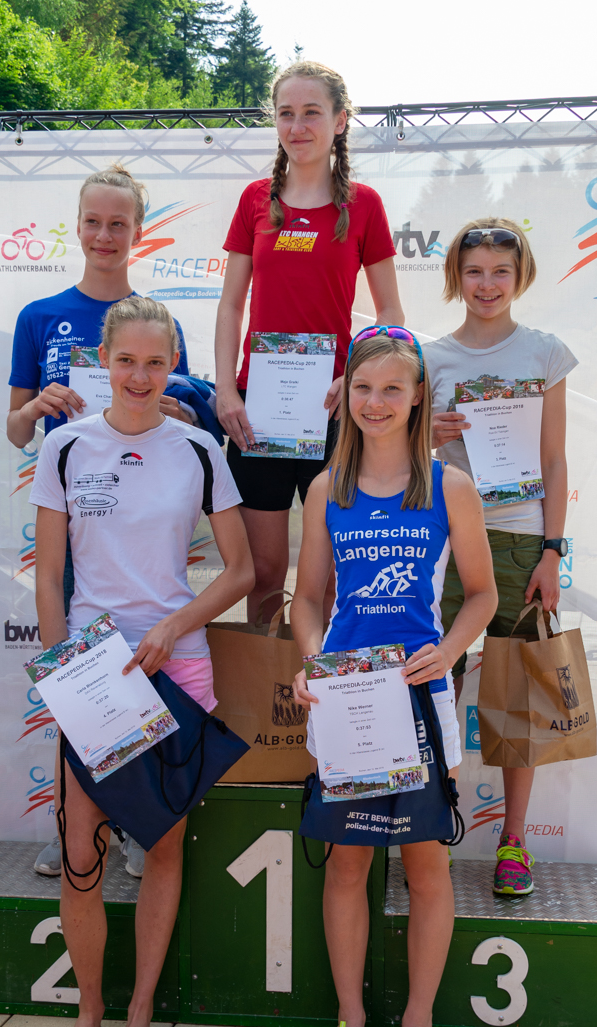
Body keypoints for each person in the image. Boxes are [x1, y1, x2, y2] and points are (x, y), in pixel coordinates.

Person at [30, 296, 253, 1027]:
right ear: (103, 360)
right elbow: (49, 579)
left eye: (155, 362)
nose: (139, 376)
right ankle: (89, 1012)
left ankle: (138, 1016)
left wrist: (171, 627)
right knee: (80, 857)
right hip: (95, 679)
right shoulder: (64, 447)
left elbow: (242, 571)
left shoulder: (199, 448)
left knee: (160, 851)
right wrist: (63, 673)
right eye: (125, 360)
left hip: (177, 669)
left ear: (174, 367)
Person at [291, 328, 496, 1027]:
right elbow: (307, 601)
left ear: (417, 399)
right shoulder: (327, 489)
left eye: (391, 389)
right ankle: (350, 1023)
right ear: (344, 393)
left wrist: (448, 651)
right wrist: (312, 660)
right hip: (348, 700)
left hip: (419, 702)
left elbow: (483, 595)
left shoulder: (449, 487)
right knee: (347, 864)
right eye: (363, 388)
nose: (375, 403)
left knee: (425, 865)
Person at [7, 163, 192, 879]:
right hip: (74, 526)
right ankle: (78, 827)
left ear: (139, 231)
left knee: (147, 676)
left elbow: (183, 417)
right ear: (77, 226)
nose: (105, 235)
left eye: (119, 223)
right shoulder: (39, 316)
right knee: (80, 679)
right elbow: (15, 431)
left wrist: (173, 407)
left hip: (142, 532)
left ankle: (143, 822)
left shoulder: (160, 321)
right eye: (94, 221)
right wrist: (37, 405)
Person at [215, 60, 403, 623]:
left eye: (311, 113)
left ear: (340, 121)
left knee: (331, 578)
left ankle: (323, 680)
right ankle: (267, 680)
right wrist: (226, 389)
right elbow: (231, 305)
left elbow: (391, 315)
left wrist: (358, 377)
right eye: (286, 114)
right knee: (264, 574)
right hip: (258, 413)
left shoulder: (364, 204)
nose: (297, 127)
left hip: (334, 413)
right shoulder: (255, 199)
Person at [425, 218, 578, 896]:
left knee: (518, 697)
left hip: (520, 542)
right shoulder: (430, 358)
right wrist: (427, 433)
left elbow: (554, 458)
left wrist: (552, 551)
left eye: (500, 272)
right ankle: (434, 826)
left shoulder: (544, 353)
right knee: (438, 685)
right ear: (456, 276)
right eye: (475, 271)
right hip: (447, 540)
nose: (487, 285)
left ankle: (514, 840)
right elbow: (402, 454)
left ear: (521, 277)